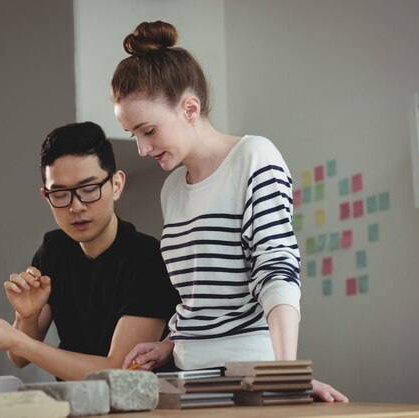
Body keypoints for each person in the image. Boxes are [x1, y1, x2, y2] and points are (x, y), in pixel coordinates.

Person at [111, 21, 348, 402]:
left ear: (190, 108)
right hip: (190, 380)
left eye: (148, 130)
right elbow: (201, 293)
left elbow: (276, 268)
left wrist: (285, 373)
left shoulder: (254, 158)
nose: (141, 148)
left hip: (251, 379)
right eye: (133, 134)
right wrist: (170, 343)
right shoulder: (172, 189)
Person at [0, 121, 180, 380]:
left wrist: (19, 341)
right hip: (74, 404)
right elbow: (18, 359)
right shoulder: (53, 249)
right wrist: (26, 316)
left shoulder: (148, 258)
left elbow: (120, 373)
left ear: (116, 185)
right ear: (45, 196)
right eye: (60, 194)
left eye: (89, 189)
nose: (76, 206)